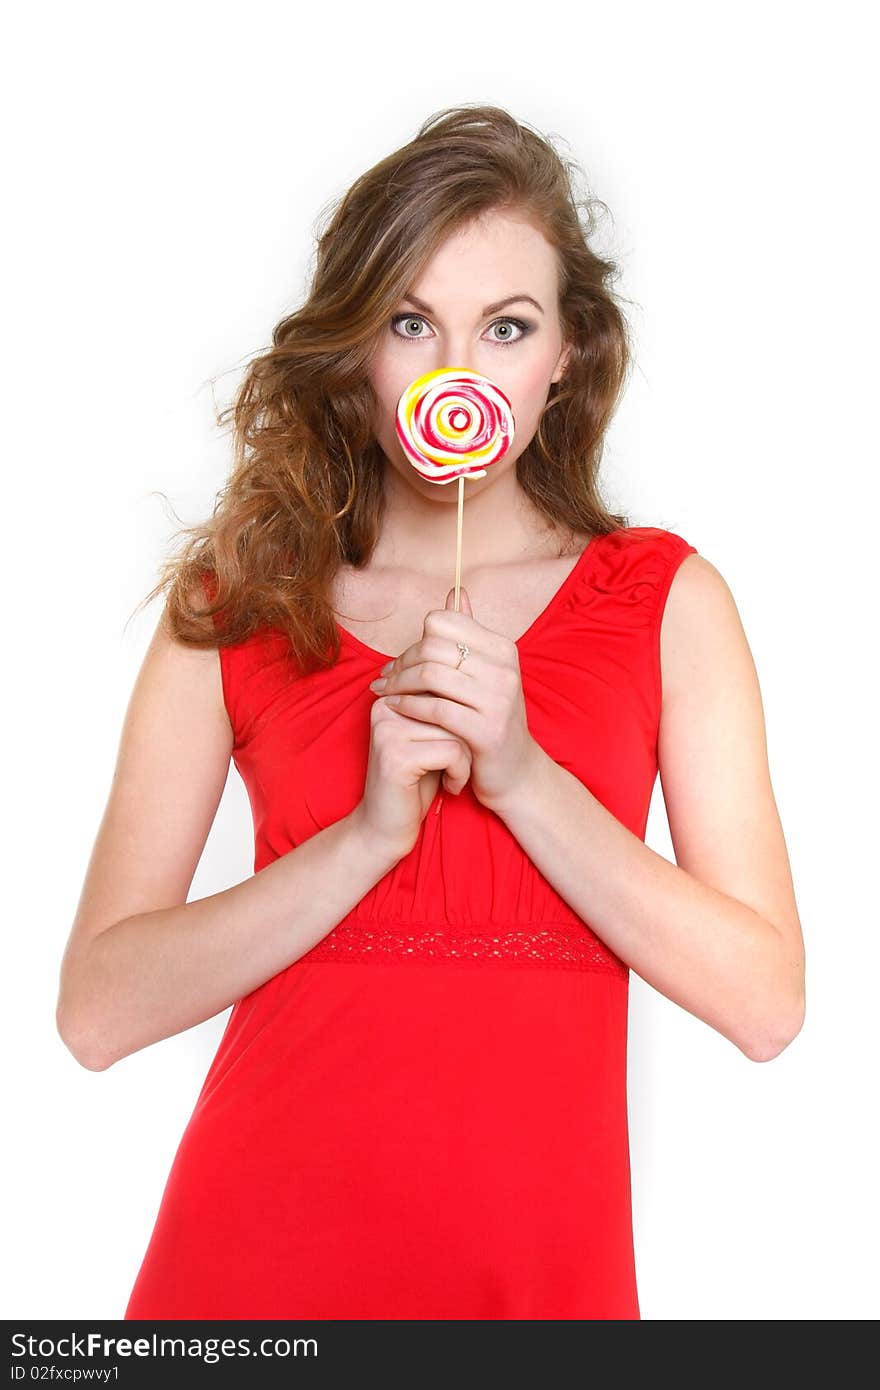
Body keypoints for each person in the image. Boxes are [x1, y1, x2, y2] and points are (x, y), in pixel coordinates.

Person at [55, 104, 806, 1320]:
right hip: (254, 1276)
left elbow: (765, 1002)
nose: (458, 371)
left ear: (565, 354)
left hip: (535, 1285)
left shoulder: (667, 602)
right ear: (358, 349)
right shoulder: (239, 601)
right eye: (412, 323)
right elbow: (96, 1012)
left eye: (505, 327)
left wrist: (523, 776)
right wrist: (364, 839)